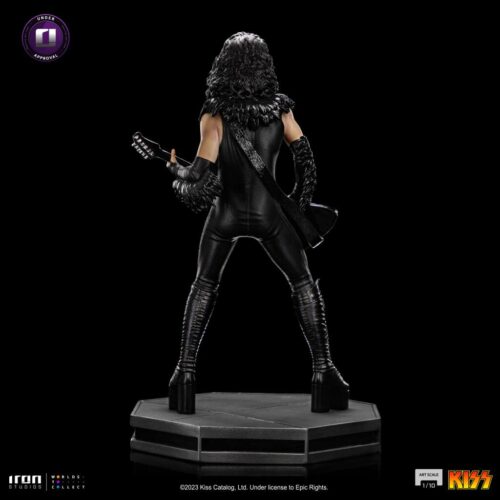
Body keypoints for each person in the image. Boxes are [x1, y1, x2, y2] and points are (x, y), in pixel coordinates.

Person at [166, 32, 348, 414]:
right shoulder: (281, 110)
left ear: (223, 65)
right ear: (264, 65)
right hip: (270, 216)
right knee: (303, 282)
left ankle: (185, 374)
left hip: (224, 215)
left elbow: (199, 174)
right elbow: (306, 159)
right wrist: (296, 206)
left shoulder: (213, 113)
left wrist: (174, 170)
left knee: (203, 284)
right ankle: (323, 371)